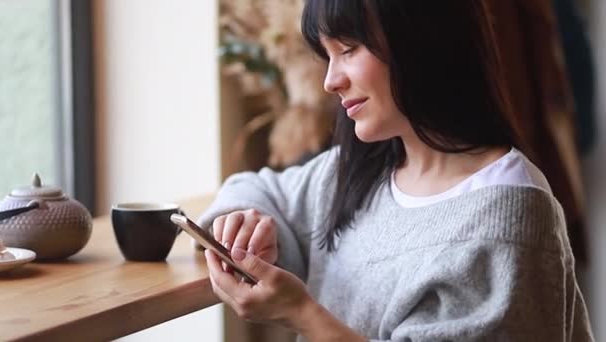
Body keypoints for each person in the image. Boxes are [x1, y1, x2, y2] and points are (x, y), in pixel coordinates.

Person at [199, 1, 594, 340]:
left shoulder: (508, 220)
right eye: (327, 55)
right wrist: (246, 225)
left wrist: (302, 315)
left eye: (348, 49)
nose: (330, 81)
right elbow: (258, 187)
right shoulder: (363, 171)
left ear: (420, 38)